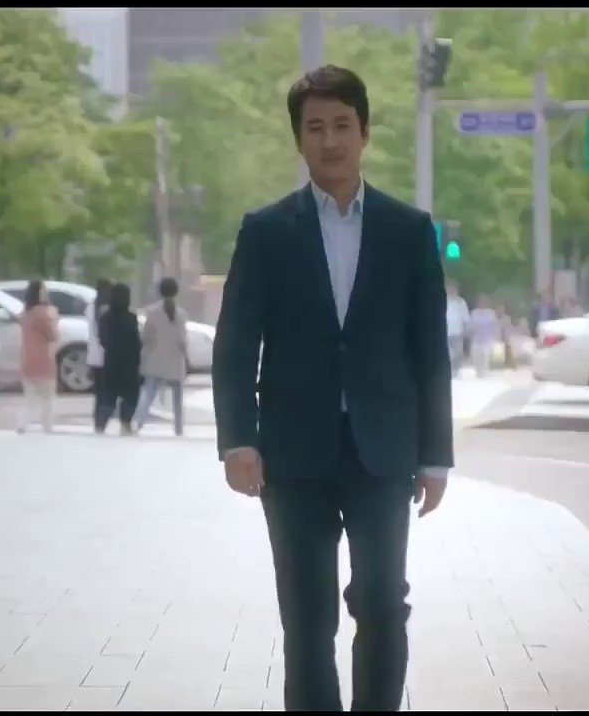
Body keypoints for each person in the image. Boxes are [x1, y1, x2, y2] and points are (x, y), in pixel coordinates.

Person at [212, 64, 453, 712]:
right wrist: (237, 439)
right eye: (315, 128)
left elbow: (430, 351)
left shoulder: (408, 230)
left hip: (383, 451)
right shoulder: (266, 231)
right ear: (299, 139)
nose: (330, 140)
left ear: (364, 132)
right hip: (293, 454)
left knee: (383, 603)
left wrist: (436, 455)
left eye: (342, 125)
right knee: (307, 618)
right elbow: (235, 343)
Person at [133, 277, 188, 436]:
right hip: (176, 360)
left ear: (160, 291)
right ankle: (179, 428)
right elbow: (182, 340)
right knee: (178, 398)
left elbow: (146, 337)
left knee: (148, 392)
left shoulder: (152, 312)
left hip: (155, 359)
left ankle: (138, 421)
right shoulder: (181, 314)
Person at [96, 282, 141, 435]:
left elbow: (101, 338)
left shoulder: (105, 317)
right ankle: (126, 423)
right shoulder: (131, 317)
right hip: (129, 362)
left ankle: (101, 424)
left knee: (108, 394)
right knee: (130, 394)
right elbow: (136, 341)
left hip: (111, 359)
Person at [17, 280, 60, 433]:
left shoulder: (25, 314)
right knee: (47, 397)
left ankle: (22, 423)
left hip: (27, 358)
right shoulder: (45, 313)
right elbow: (53, 335)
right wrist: (55, 318)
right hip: (44, 358)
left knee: (29, 397)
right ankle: (47, 425)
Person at [85, 278, 112, 432]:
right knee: (107, 391)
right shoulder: (109, 309)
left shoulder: (90, 307)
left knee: (99, 392)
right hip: (107, 356)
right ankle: (103, 419)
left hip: (93, 356)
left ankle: (97, 420)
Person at [468, 296, 500, 378]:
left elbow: (495, 324)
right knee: (476, 355)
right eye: (480, 302)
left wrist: (496, 335)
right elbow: (470, 325)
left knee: (485, 355)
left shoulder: (491, 313)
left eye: (484, 302)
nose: (482, 304)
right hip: (476, 337)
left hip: (487, 337)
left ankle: (484, 371)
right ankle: (478, 370)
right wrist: (471, 332)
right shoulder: (474, 313)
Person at [446, 280, 470, 377]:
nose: (451, 290)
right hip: (444, 331)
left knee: (457, 352)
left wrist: (466, 329)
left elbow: (466, 317)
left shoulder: (460, 302)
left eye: (453, 289)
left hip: (457, 332)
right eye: (449, 288)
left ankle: (456, 370)